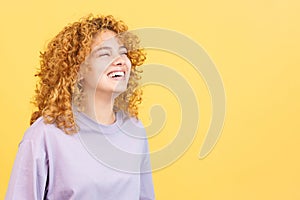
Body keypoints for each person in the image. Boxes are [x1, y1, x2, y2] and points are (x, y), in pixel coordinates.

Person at [5, 14, 155, 200]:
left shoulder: (134, 129)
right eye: (104, 54)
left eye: (123, 52)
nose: (120, 61)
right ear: (79, 69)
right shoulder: (45, 135)